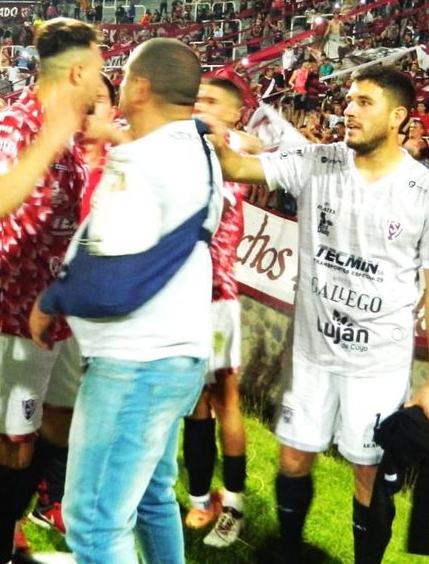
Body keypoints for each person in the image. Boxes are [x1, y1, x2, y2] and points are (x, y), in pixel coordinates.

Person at [208, 65, 429, 563]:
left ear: (398, 117)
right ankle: (290, 549)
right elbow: (237, 169)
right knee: (294, 456)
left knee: (368, 471)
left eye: (365, 102)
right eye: (348, 100)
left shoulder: (428, 194)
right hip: (312, 353)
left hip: (378, 364)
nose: (348, 109)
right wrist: (214, 134)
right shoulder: (317, 162)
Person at [26, 38, 221, 563]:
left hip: (136, 363)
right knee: (154, 499)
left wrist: (53, 298)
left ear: (140, 86)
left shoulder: (143, 161)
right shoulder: (200, 149)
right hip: (175, 353)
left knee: (94, 524)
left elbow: (109, 277)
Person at [0, 18, 102, 564]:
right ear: (75, 72)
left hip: (59, 309)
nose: (101, 82)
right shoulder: (16, 124)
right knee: (13, 443)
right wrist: (48, 141)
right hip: (11, 312)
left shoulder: (67, 133)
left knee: (61, 421)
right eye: (96, 70)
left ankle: (22, 519)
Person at [182, 77, 253, 548]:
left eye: (212, 101)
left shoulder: (237, 153)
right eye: (198, 99)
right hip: (183, 298)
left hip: (218, 299)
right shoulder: (188, 144)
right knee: (193, 403)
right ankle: (198, 497)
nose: (201, 106)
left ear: (233, 113)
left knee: (226, 397)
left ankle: (234, 503)